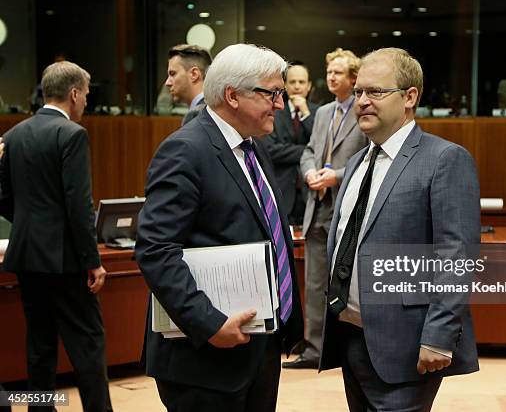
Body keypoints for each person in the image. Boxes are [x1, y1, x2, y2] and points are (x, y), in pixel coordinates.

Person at [135, 43, 304, 412]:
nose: (280, 103)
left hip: (257, 346)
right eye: (272, 93)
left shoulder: (254, 149)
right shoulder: (184, 150)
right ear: (232, 95)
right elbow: (155, 249)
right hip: (204, 359)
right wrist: (209, 323)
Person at [319, 48, 480, 411]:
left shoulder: (444, 159)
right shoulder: (359, 160)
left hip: (408, 345)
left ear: (409, 97)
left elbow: (457, 255)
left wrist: (439, 336)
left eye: (375, 92)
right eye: (358, 92)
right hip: (352, 336)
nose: (361, 101)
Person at [0, 61, 112, 412]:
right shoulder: (72, 135)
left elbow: (3, 196)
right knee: (88, 343)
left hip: (27, 255)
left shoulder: (13, 135)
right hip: (65, 259)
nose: (87, 101)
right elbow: (78, 205)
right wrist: (92, 260)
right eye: (87, 94)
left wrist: (30, 224)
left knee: (40, 343)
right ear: (74, 93)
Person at [283, 49, 368, 369]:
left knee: (345, 284)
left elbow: (367, 159)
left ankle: (344, 350)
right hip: (316, 207)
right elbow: (308, 151)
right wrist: (309, 172)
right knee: (314, 284)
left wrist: (337, 176)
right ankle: (314, 350)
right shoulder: (322, 112)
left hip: (345, 208)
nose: (331, 77)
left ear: (353, 78)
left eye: (338, 73)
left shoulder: (364, 111)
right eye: (329, 72)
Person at [261, 62, 320, 225]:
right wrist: (308, 151)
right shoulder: (274, 112)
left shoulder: (319, 113)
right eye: (292, 82)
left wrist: (306, 114)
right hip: (282, 191)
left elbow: (321, 146)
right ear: (285, 85)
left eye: (301, 82)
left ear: (309, 86)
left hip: (310, 192)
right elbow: (270, 150)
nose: (297, 86)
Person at [165, 44, 212, 125]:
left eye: (173, 74)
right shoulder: (215, 109)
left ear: (194, 74)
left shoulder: (197, 114)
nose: (167, 83)